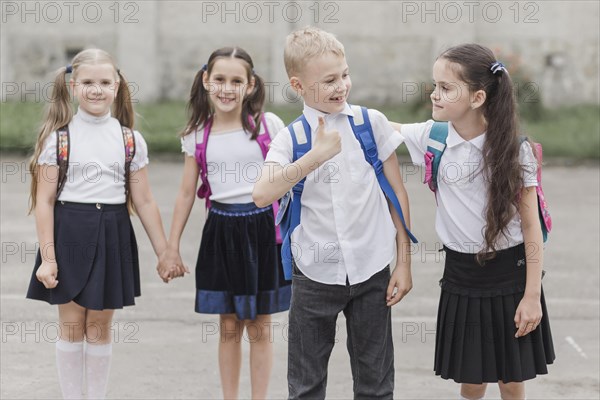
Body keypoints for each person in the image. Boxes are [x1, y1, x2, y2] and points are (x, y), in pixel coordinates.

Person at [253, 27, 413, 399]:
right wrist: (314, 158)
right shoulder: (290, 139)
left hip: (372, 271)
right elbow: (262, 194)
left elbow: (397, 196)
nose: (341, 85)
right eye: (329, 80)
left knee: (376, 385)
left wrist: (404, 263)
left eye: (344, 74)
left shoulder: (370, 123)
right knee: (306, 386)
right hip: (314, 277)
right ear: (298, 85)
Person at [391, 43, 555, 400]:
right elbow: (383, 127)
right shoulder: (432, 137)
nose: (434, 95)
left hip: (510, 275)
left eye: (446, 88)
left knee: (511, 380)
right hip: (461, 275)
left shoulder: (514, 150)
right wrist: (335, 102)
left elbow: (531, 228)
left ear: (478, 96)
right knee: (471, 377)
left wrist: (532, 296)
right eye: (434, 85)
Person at [26, 48, 174, 399]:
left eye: (105, 82)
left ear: (118, 85)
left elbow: (145, 200)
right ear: (73, 86)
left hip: (113, 233)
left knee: (100, 325)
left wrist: (164, 252)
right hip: (68, 234)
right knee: (72, 324)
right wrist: (48, 258)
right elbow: (45, 202)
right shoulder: (59, 139)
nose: (97, 89)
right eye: (88, 83)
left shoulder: (129, 140)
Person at [158, 47, 291, 399]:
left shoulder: (268, 125)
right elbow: (187, 193)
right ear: (206, 81)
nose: (227, 88)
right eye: (219, 79)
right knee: (229, 324)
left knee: (260, 325)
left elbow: (290, 179)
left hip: (264, 230)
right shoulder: (197, 134)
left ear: (250, 85)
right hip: (221, 231)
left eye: (236, 81)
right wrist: (171, 248)